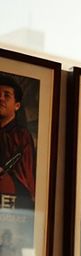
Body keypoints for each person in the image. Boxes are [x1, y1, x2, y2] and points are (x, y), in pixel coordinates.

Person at [0, 74, 35, 208]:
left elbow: (25, 176)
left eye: (6, 95)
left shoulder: (22, 136)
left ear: (17, 105)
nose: (1, 98)